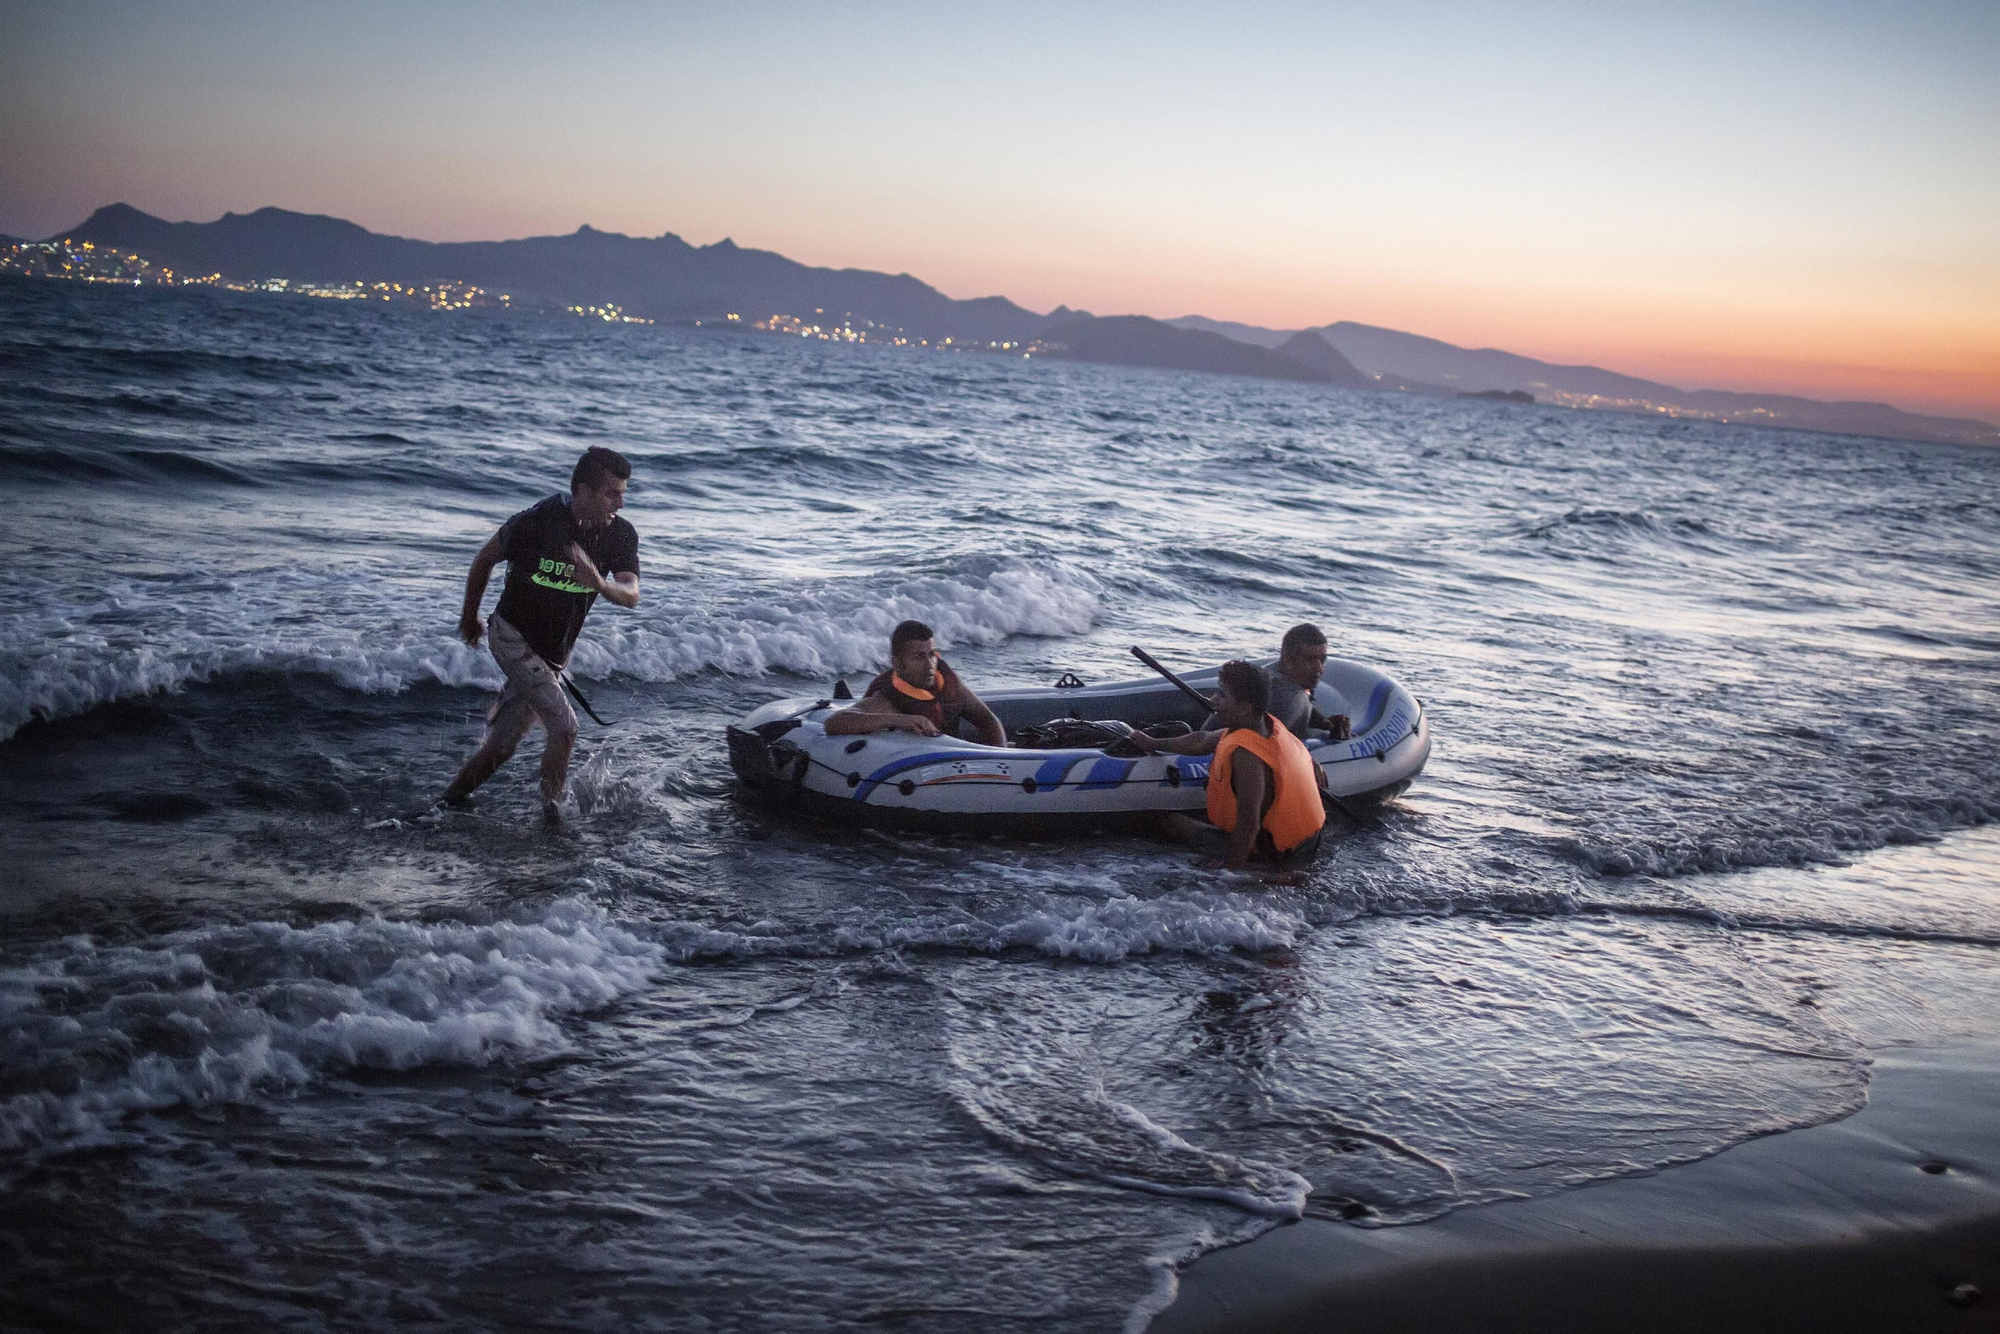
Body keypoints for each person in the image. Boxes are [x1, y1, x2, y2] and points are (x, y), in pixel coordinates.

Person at [440, 447, 641, 820]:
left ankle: (446, 803)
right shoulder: (539, 522)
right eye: (612, 493)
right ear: (584, 490)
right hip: (511, 636)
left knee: (502, 749)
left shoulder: (620, 536)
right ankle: (552, 820)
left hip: (551, 657)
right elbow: (485, 558)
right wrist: (470, 617)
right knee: (565, 729)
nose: (621, 503)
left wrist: (599, 582)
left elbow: (630, 594)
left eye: (623, 492)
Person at [1128, 660, 1327, 870]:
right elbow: (1202, 740)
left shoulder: (1247, 755)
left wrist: (1229, 874)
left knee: (1174, 823)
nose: (1214, 700)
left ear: (1243, 707)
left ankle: (1255, 869)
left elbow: (1248, 825)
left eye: (1222, 695)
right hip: (1308, 843)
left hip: (1279, 855)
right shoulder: (1262, 724)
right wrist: (1152, 743)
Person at [824, 619, 1006, 747]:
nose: (930, 664)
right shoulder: (888, 698)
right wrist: (900, 719)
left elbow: (987, 720)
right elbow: (833, 723)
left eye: (932, 654)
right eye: (918, 656)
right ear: (897, 663)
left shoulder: (945, 680)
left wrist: (1001, 757)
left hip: (962, 761)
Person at [1202, 623, 1348, 740]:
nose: (1319, 668)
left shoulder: (1273, 677)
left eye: (1322, 660)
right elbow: (1258, 744)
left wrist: (1324, 722)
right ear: (1288, 660)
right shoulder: (1289, 696)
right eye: (1309, 660)